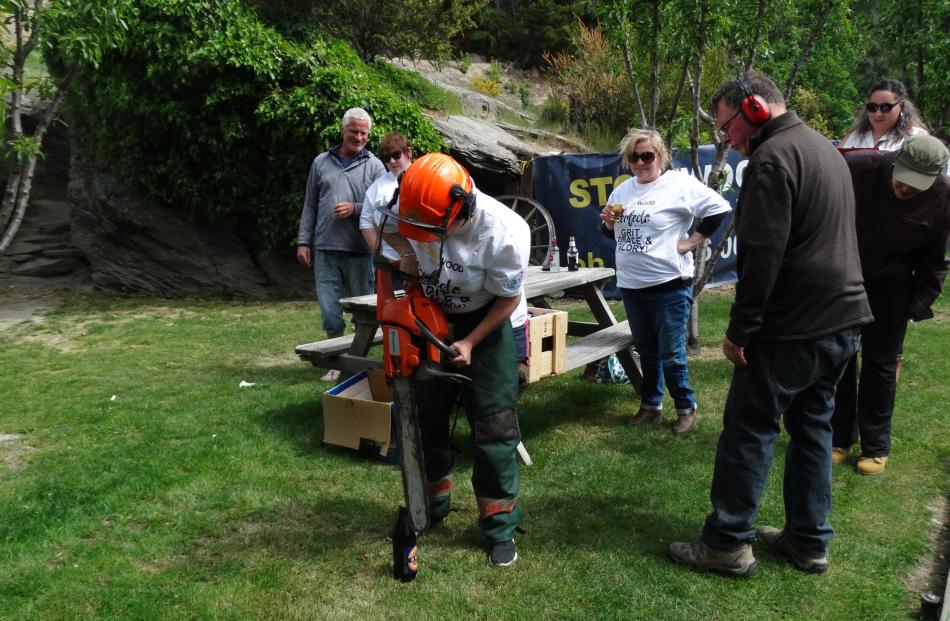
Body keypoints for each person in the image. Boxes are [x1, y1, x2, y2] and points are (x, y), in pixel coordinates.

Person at [668, 70, 872, 577]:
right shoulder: (824, 149)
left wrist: (741, 330)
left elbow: (761, 255)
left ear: (755, 109)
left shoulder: (771, 159)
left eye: (728, 125)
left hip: (794, 328)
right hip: (843, 322)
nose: (728, 138)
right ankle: (808, 541)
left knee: (749, 430)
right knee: (813, 429)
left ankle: (727, 543)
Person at [381, 153, 530, 567]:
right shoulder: (413, 200)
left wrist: (470, 342)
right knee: (425, 414)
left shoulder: (504, 232)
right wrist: (408, 260)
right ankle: (430, 505)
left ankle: (499, 526)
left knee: (494, 425)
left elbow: (509, 296)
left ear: (460, 208)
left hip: (487, 320)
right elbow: (388, 230)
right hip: (432, 313)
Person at [600, 128, 731, 436]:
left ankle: (686, 408)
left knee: (672, 353)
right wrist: (607, 223)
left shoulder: (677, 184)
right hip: (632, 284)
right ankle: (651, 406)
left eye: (647, 156)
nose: (641, 162)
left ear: (660, 156)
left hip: (669, 283)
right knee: (646, 349)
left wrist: (692, 241)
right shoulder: (623, 190)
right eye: (634, 156)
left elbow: (719, 209)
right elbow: (613, 233)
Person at [831, 136, 950, 475]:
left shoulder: (943, 196)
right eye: (903, 178)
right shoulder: (858, 167)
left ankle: (876, 445)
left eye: (916, 185)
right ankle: (839, 437)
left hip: (892, 287)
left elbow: (934, 259)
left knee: (880, 366)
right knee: (840, 357)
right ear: (895, 161)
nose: (905, 188)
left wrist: (918, 304)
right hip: (843, 278)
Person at [296, 108, 385, 382]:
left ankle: (356, 361)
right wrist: (303, 241)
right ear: (343, 131)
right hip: (325, 249)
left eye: (363, 133)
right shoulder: (321, 162)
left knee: (363, 313)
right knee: (330, 312)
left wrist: (356, 208)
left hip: (359, 252)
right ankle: (336, 361)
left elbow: (382, 208)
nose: (358, 137)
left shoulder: (375, 166)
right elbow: (310, 204)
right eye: (354, 131)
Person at [839, 79, 929, 151]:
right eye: (872, 107)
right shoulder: (853, 136)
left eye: (886, 107)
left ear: (901, 106)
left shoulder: (916, 137)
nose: (878, 114)